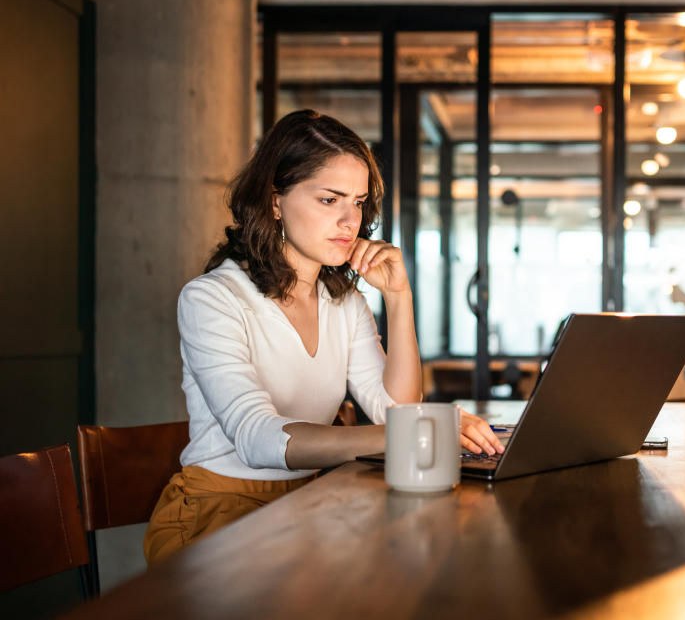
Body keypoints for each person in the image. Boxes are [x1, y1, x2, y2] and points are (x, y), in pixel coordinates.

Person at [143, 110, 503, 565]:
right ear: (275, 201)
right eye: (329, 200)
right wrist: (414, 431)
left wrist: (399, 297)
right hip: (219, 513)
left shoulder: (344, 301)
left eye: (357, 202)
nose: (350, 220)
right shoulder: (211, 298)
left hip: (311, 505)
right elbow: (257, 440)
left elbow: (397, 411)